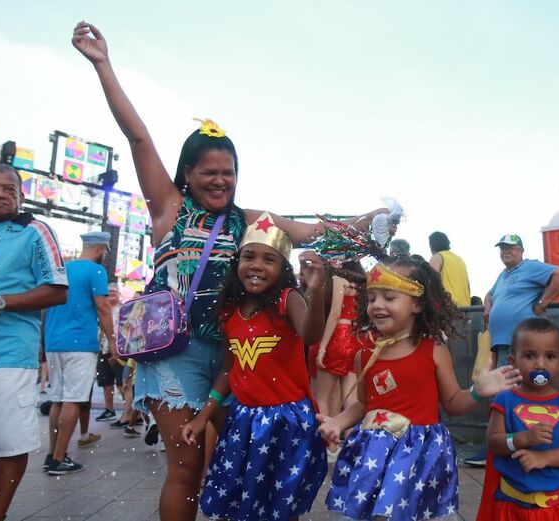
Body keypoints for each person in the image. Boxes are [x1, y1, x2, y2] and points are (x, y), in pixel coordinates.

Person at [72, 21, 386, 520]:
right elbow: (137, 138)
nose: (221, 181)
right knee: (186, 466)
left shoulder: (248, 222)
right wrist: (103, 64)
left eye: (229, 172)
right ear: (188, 175)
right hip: (172, 356)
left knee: (225, 463)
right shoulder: (168, 209)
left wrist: (371, 227)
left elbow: (310, 234)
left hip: (233, 358)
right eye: (209, 172)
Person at [317, 257, 522, 520]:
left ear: (416, 303)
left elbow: (453, 403)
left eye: (389, 297)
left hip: (419, 454)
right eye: (372, 298)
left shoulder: (434, 351)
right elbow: (363, 404)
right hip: (373, 453)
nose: (377, 305)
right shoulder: (364, 355)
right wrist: (338, 421)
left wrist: (477, 391)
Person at [180, 214, 328, 521]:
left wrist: (314, 292)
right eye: (249, 256)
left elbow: (311, 336)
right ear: (237, 263)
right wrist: (203, 417)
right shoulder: (229, 312)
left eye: (269, 259)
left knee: (282, 502)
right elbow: (228, 370)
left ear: (283, 268)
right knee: (238, 496)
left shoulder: (288, 301)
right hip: (243, 421)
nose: (257, 265)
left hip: (287, 421)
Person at [0, 163, 68, 520]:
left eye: (9, 189)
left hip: (8, 357)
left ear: (21, 196)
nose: (0, 195)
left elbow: (57, 291)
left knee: (10, 444)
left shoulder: (36, 232)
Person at [466, 234, 559, 467]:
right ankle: (507, 444)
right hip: (503, 343)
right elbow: (489, 294)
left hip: (521, 343)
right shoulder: (503, 275)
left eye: (511, 248)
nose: (506, 252)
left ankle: (501, 447)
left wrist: (543, 303)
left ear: (521, 250)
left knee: (512, 393)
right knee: (505, 393)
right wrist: (488, 307)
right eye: (502, 248)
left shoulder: (530, 267)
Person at [478, 318, 559, 520]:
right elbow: (493, 441)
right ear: (513, 362)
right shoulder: (505, 400)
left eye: (550, 356)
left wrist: (544, 458)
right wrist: (521, 439)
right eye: (530, 355)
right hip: (511, 505)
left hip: (555, 508)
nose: (540, 364)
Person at [43, 231, 115, 475]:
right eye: (104, 252)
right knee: (73, 399)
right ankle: (60, 458)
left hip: (54, 341)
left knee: (58, 399)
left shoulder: (62, 269)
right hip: (80, 342)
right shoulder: (95, 271)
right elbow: (104, 307)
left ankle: (51, 454)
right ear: (100, 249)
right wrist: (113, 341)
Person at [314, 260, 369, 458]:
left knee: (322, 396)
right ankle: (354, 447)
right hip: (355, 337)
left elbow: (335, 313)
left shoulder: (339, 278)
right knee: (351, 397)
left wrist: (322, 347)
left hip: (339, 336)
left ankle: (329, 446)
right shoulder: (361, 283)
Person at [94, 282, 122, 423]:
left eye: (114, 291)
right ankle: (109, 409)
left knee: (123, 383)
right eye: (109, 291)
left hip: (119, 350)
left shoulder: (122, 310)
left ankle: (128, 413)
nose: (111, 294)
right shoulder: (101, 310)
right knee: (106, 381)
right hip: (103, 349)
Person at [428, 231, 471, 307]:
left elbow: (432, 284)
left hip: (448, 309)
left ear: (432, 246)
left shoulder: (437, 257)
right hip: (466, 308)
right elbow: (467, 286)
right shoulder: (460, 259)